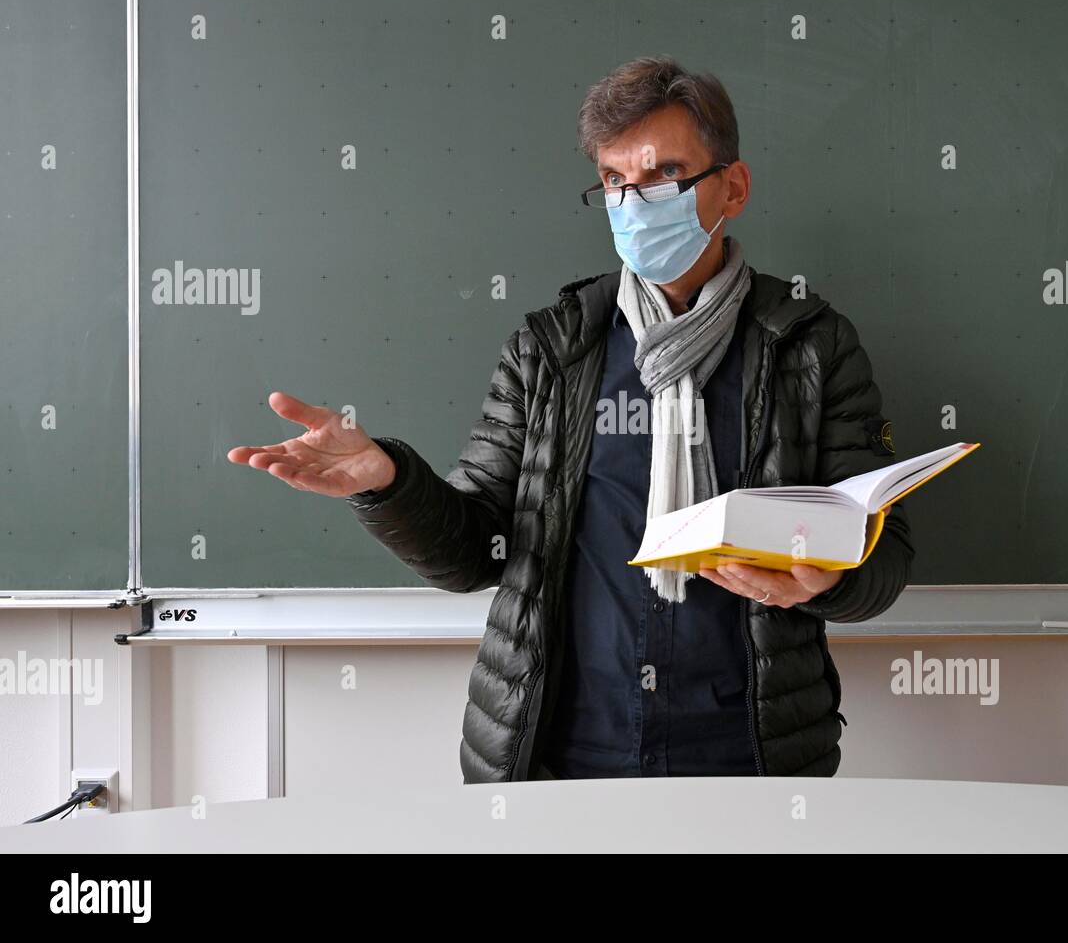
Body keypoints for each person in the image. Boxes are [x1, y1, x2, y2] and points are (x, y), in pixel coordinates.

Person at [228, 56, 914, 782]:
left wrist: (826, 581)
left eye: (660, 176)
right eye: (615, 182)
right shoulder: (551, 349)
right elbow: (476, 553)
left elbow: (886, 550)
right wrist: (388, 483)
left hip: (749, 754)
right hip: (560, 751)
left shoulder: (808, 346)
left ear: (732, 188)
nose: (633, 202)